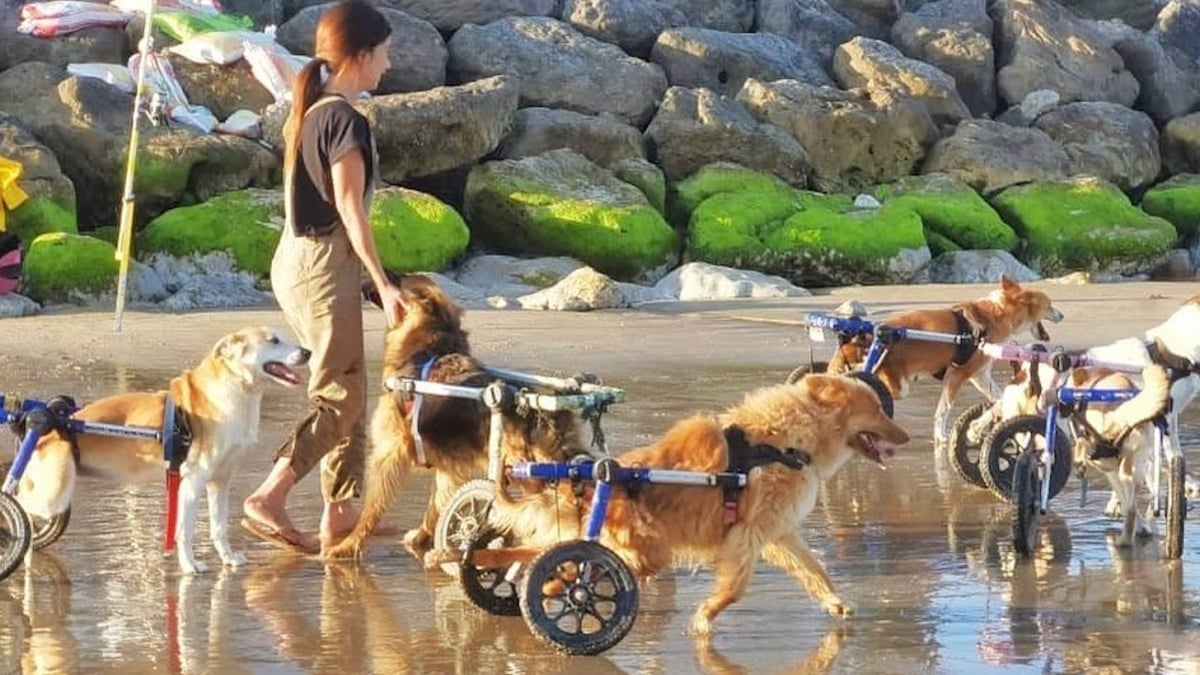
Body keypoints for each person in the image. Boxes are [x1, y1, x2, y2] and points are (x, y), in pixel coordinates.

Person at [242, 0, 405, 555]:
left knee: (348, 388)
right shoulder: (342, 118)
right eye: (383, 54)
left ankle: (342, 512)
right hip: (321, 263)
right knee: (340, 397)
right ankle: (269, 495)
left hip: (302, 260)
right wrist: (383, 283)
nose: (386, 66)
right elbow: (350, 210)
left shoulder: (312, 113)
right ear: (360, 55)